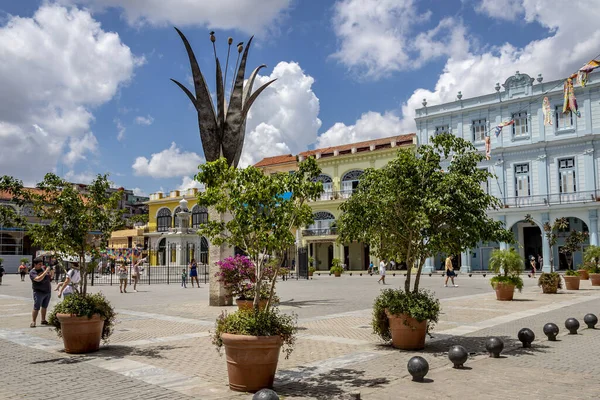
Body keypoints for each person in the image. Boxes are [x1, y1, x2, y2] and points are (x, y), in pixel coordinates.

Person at [29, 257, 53, 328]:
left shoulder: (43, 269)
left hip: (47, 291)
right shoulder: (32, 272)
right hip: (38, 291)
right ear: (35, 264)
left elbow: (50, 278)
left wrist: (51, 272)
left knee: (44, 306)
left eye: (42, 264)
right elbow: (38, 279)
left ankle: (43, 320)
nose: (41, 266)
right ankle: (33, 321)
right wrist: (45, 272)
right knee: (36, 307)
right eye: (39, 264)